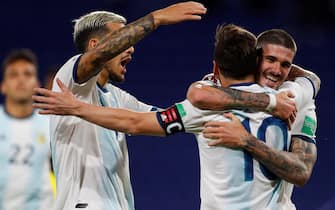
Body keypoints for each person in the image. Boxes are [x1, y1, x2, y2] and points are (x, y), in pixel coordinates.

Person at [33, 24, 301, 209]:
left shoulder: (202, 107)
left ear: (215, 66)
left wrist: (77, 107)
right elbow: (302, 171)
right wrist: (273, 99)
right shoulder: (294, 98)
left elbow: (135, 123)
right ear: (256, 64)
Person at [35, 2, 207, 210]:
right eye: (123, 39)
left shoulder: (118, 97)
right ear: (94, 45)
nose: (131, 48)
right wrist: (157, 18)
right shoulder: (69, 83)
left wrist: (203, 109)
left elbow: (162, 120)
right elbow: (97, 57)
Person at [186, 29, 320, 208]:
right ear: (255, 59)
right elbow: (198, 94)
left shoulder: (295, 98)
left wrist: (247, 141)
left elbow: (301, 172)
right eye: (270, 60)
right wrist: (271, 102)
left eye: (285, 65)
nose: (276, 71)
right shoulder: (222, 93)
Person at [0, 49, 54, 210]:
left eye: (27, 74)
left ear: (37, 85)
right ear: (3, 86)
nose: (21, 80)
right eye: (13, 75)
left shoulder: (52, 124)